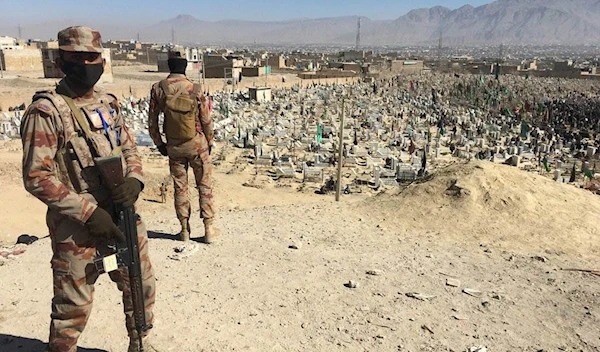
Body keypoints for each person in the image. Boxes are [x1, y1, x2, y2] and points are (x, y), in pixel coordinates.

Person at [20, 26, 156, 352]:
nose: (85, 63)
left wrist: (134, 180)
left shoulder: (108, 104)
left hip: (120, 214)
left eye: (91, 57)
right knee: (73, 306)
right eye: (76, 57)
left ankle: (140, 343)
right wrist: (88, 212)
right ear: (61, 62)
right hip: (78, 225)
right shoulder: (46, 112)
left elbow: (129, 150)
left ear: (102, 60)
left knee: (139, 286)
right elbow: (37, 177)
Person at [148, 47, 219, 243]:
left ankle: (184, 230)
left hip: (174, 146)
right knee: (204, 185)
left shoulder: (158, 88)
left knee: (180, 188)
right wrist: (210, 141)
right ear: (185, 67)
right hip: (196, 144)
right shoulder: (195, 89)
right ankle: (209, 229)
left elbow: (152, 122)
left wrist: (159, 144)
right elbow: (206, 120)